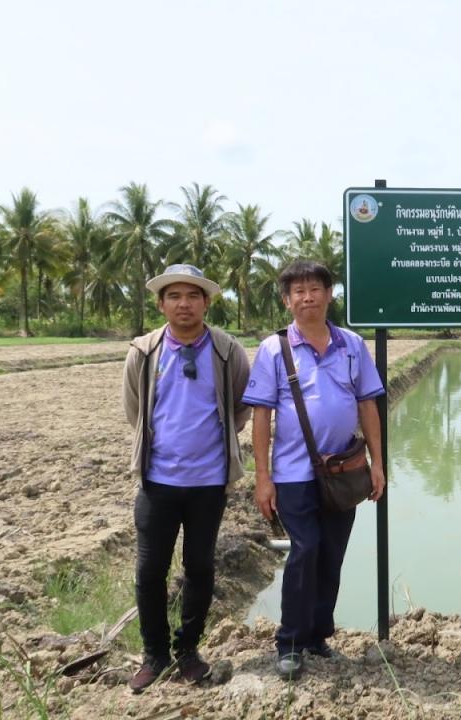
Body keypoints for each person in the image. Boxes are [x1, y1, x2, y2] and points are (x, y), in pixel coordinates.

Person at [243, 259, 385, 678]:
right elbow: (262, 417)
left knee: (331, 556)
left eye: (315, 289)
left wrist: (378, 464)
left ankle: (318, 636)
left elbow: (368, 405)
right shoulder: (274, 349)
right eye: (298, 291)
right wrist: (263, 479)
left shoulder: (352, 345)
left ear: (329, 295)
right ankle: (289, 642)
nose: (308, 297)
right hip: (292, 475)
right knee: (304, 551)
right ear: (287, 301)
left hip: (343, 474)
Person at [122, 263, 252, 693]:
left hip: (209, 483)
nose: (184, 304)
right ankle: (154, 655)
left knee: (199, 567)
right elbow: (134, 411)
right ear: (161, 304)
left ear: (206, 303)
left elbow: (240, 406)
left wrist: (211, 445)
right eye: (174, 296)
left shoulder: (227, 350)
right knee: (149, 571)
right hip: (157, 482)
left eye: (193, 296)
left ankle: (188, 651)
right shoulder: (143, 352)